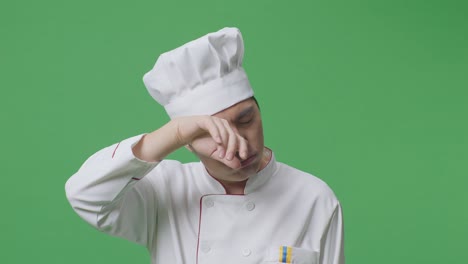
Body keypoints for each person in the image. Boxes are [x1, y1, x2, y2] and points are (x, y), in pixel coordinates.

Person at [65, 27, 345, 264]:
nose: (239, 145)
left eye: (246, 120)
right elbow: (85, 195)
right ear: (186, 143)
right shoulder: (164, 190)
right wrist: (173, 132)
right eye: (213, 133)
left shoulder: (314, 198)